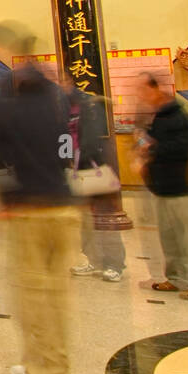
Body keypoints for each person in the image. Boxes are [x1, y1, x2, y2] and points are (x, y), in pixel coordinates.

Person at [0, 55, 79, 374]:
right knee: (55, 296)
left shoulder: (7, 107)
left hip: (32, 211)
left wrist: (4, 199)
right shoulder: (55, 103)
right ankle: (44, 365)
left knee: (34, 298)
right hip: (62, 205)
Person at [135, 73, 188, 301]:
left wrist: (151, 150)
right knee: (171, 238)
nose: (139, 95)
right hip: (164, 187)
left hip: (187, 186)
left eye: (142, 90)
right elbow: (148, 142)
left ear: (155, 89)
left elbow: (182, 147)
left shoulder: (179, 115)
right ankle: (178, 278)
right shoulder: (158, 117)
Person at [66, 84, 126, 282]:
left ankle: (114, 263)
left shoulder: (90, 109)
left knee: (104, 217)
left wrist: (83, 156)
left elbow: (94, 142)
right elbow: (63, 141)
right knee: (85, 220)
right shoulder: (65, 112)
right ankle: (94, 259)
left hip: (94, 170)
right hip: (76, 172)